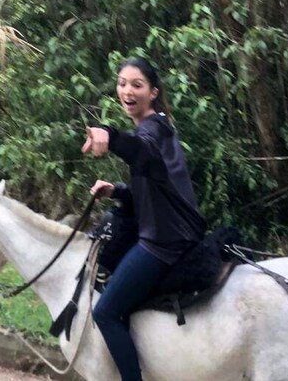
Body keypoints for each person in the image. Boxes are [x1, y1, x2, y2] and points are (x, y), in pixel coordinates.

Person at [82, 57, 206, 381]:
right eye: (122, 83)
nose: (127, 90)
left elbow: (142, 151)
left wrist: (110, 137)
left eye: (137, 84)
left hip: (164, 241)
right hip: (173, 231)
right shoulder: (157, 127)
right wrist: (118, 191)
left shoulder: (153, 130)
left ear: (153, 92)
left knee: (105, 312)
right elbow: (154, 191)